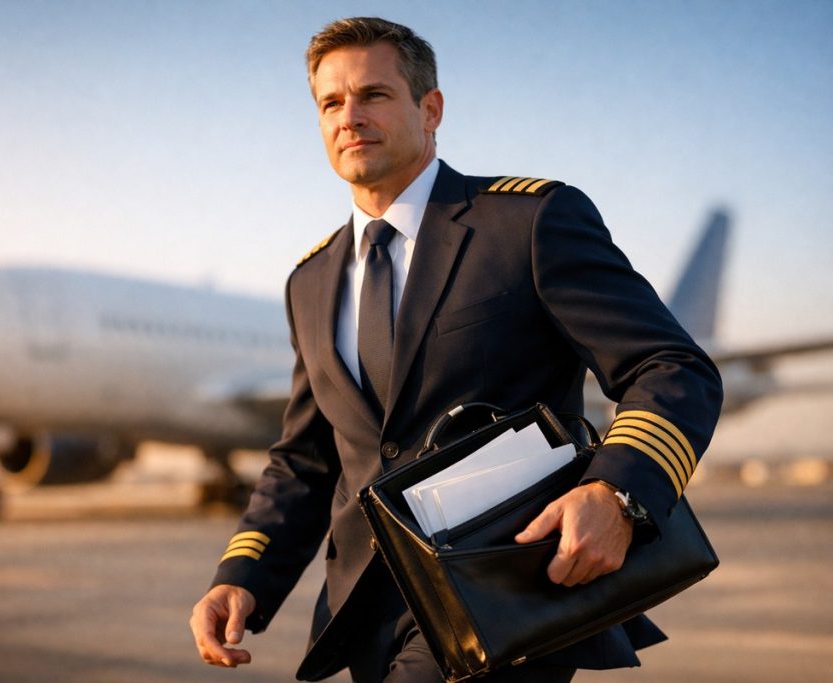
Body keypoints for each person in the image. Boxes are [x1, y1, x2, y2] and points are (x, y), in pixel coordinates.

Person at [190, 16, 722, 683]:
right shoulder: (312, 280)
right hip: (366, 615)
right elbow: (306, 459)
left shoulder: (527, 222)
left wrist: (616, 491)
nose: (349, 116)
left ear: (430, 108)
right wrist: (242, 576)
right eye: (331, 102)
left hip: (505, 587)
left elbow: (673, 366)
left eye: (374, 95)